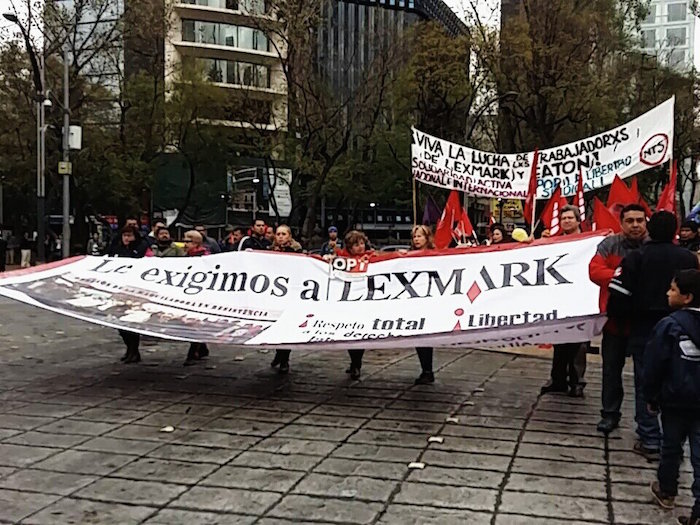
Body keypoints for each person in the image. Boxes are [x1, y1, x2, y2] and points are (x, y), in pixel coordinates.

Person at [608, 211, 699, 459]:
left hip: (644, 328)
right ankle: (673, 440)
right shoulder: (688, 258)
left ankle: (649, 437)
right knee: (678, 380)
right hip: (684, 328)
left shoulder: (637, 257)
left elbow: (618, 294)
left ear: (650, 229)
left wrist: (621, 319)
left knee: (646, 381)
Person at [644, 270, 700, 524]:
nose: (668, 293)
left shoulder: (669, 325)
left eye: (673, 289)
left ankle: (667, 490)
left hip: (675, 398)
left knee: (671, 445)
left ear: (687, 297)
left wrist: (651, 396)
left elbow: (654, 364)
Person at [590, 203, 648, 435]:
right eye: (630, 221)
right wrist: (622, 277)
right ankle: (610, 413)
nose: (635, 225)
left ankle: (646, 421)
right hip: (615, 321)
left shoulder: (654, 246)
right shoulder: (609, 244)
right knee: (611, 370)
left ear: (646, 222)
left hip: (644, 322)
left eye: (639, 220)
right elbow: (594, 270)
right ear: (622, 223)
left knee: (645, 374)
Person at [540, 205, 589, 397]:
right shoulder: (555, 242)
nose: (566, 221)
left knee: (579, 342)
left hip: (581, 298)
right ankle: (558, 379)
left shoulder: (588, 242)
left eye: (570, 218)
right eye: (563, 218)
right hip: (560, 298)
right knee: (560, 340)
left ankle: (577, 381)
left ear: (578, 221)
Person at [335, 230, 374, 380]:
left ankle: (356, 364)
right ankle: (354, 362)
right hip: (348, 302)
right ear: (349, 247)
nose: (360, 247)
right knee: (349, 334)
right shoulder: (340, 259)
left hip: (364, 300)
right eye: (356, 245)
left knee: (360, 334)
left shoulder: (371, 258)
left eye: (362, 243)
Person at [112, 225, 153, 363]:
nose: (127, 238)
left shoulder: (142, 248)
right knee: (120, 323)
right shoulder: (117, 248)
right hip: (121, 290)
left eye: (129, 235)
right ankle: (129, 349)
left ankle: (134, 351)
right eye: (124, 235)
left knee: (132, 322)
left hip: (137, 291)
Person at [269, 225, 303, 374]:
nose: (281, 237)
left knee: (286, 327)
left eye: (284, 234)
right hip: (274, 294)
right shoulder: (269, 251)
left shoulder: (297, 251)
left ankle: (284, 359)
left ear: (289, 236)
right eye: (278, 234)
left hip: (290, 294)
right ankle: (279, 354)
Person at [410, 225, 436, 384]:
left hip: (430, 302)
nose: (417, 239)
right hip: (415, 302)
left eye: (420, 236)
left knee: (425, 338)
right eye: (414, 237)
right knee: (419, 337)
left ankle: (428, 370)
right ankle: (426, 370)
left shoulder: (436, 255)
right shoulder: (407, 256)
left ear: (427, 238)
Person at [183, 230, 211, 364]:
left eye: (187, 241)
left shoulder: (206, 257)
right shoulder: (187, 256)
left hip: (201, 294)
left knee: (195, 323)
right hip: (189, 293)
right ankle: (202, 347)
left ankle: (193, 351)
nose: (185, 244)